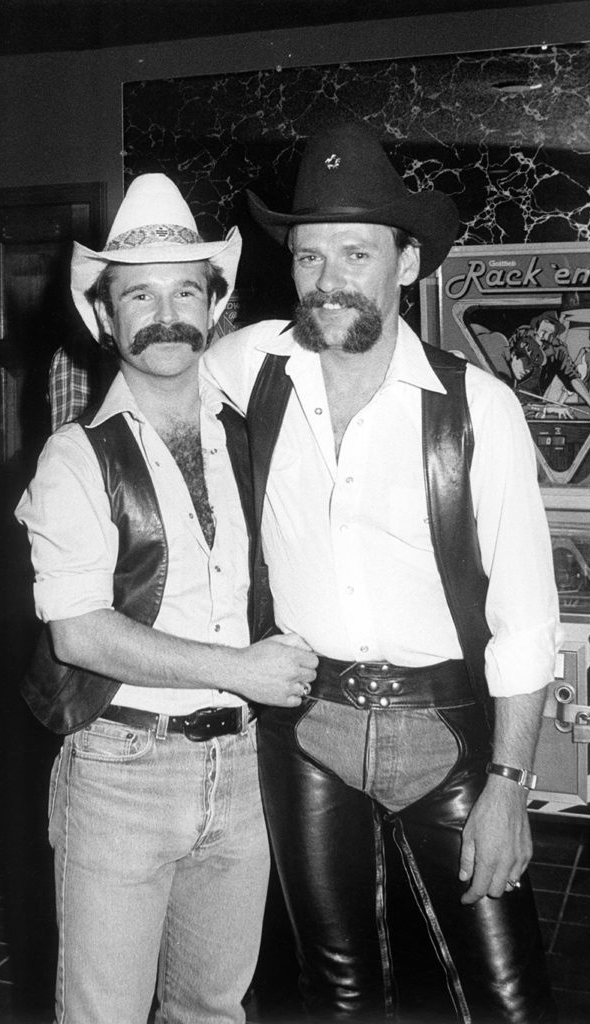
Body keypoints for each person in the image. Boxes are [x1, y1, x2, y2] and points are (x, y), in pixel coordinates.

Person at [202, 122, 562, 1023]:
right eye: (309, 256)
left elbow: (525, 620)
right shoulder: (251, 365)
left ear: (405, 265)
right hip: (307, 728)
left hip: (444, 734)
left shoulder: (477, 407)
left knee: (503, 994)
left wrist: (509, 790)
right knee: (337, 992)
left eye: (354, 254)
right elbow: (147, 393)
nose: (328, 281)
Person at [15, 173, 317, 1024]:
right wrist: (244, 670)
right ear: (106, 318)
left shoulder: (257, 432)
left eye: (186, 289)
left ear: (214, 305)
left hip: (249, 770)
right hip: (122, 770)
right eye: (138, 295)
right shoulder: (75, 459)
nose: (166, 313)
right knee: (101, 1014)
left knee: (213, 1010)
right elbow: (79, 634)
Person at [509, 312, 590, 415]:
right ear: (536, 328)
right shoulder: (520, 339)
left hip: (533, 408)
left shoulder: (558, 350)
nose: (544, 336)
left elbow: (573, 377)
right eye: (543, 331)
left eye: (550, 334)